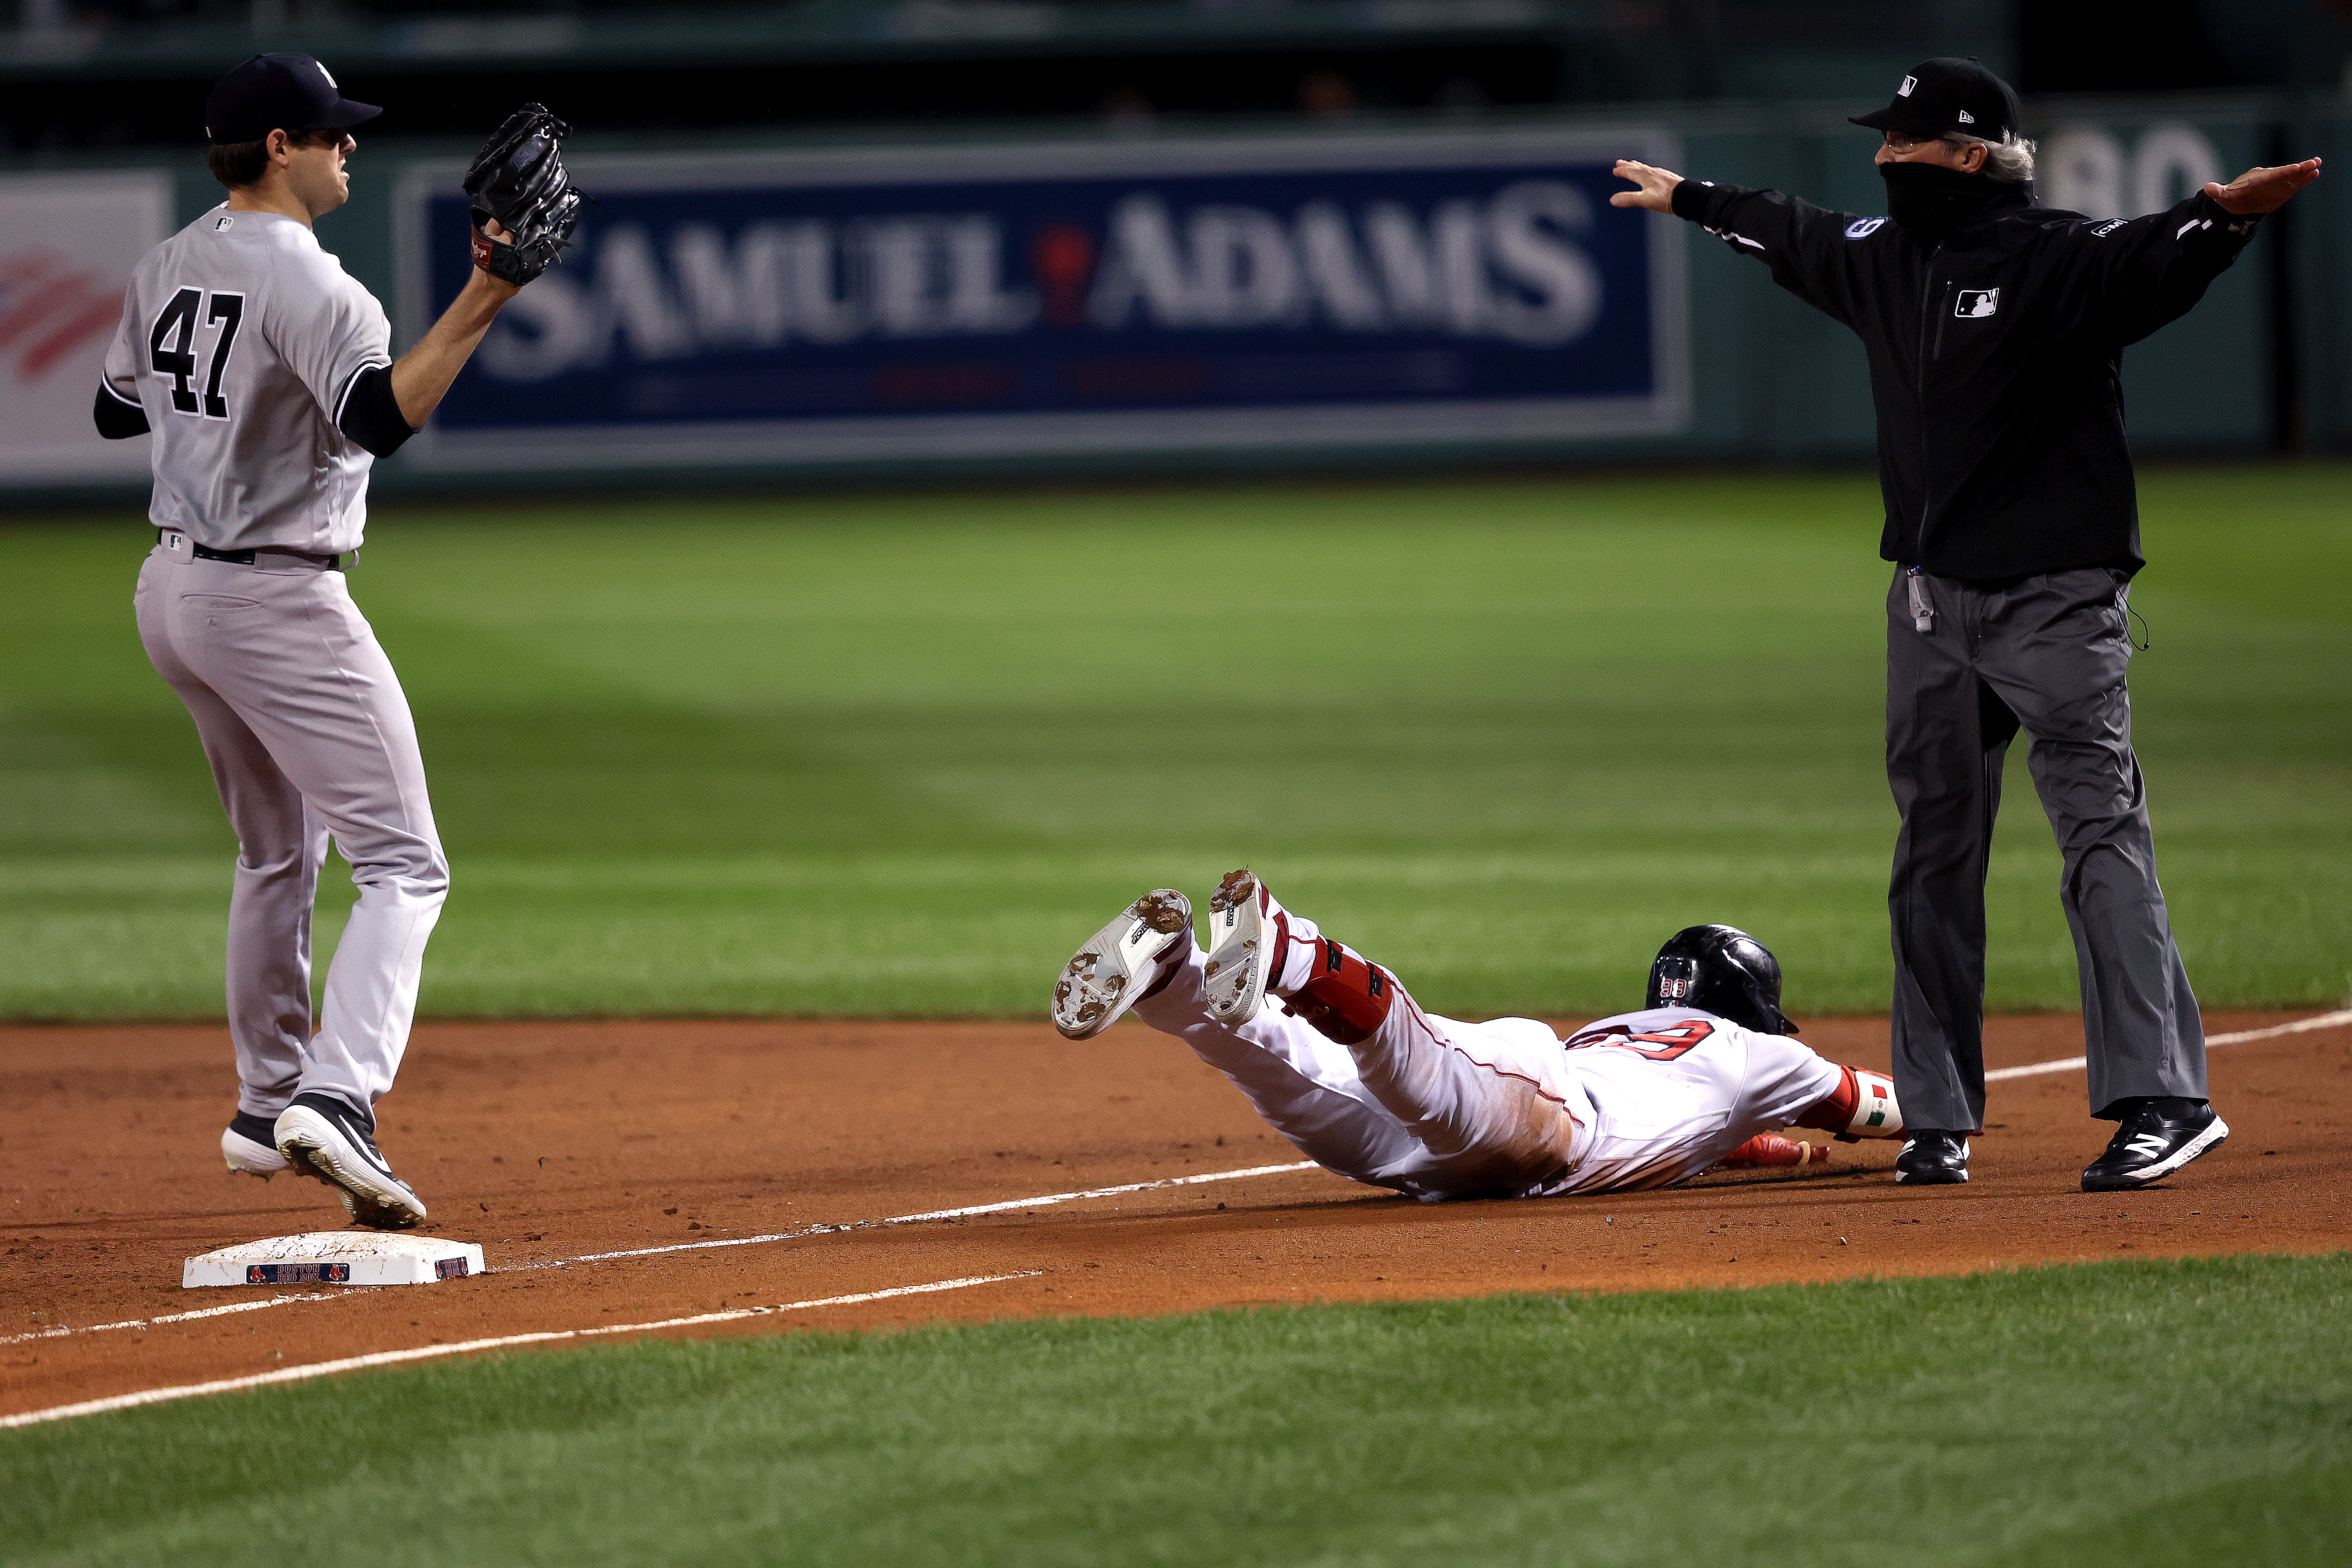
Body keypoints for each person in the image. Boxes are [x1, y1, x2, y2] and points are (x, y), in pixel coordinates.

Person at [1610, 58, 2321, 1191]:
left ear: (1972, 153)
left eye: (1908, 140)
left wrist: (2216, 219)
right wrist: (1694, 199)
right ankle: (1936, 1116)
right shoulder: (1884, 262)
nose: (1887, 154)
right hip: (1930, 603)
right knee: (1933, 854)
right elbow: (1790, 229)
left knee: (2099, 836)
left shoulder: (2057, 258)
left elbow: (2148, 261)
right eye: (1884, 138)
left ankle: (2169, 1101)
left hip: (2058, 599)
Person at [93, 55, 571, 1228]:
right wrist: (489, 294)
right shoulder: (322, 290)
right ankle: (338, 1096)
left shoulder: (167, 261)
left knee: (274, 855)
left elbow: (116, 408)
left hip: (173, 595)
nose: (347, 147)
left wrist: (224, 417)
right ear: (275, 147)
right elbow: (377, 417)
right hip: (277, 601)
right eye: (329, 134)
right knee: (407, 864)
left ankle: (266, 1106)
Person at [1051, 872, 1905, 1202]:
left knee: (1297, 1073)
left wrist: (1763, 1148)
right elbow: (1872, 1106)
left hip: (1466, 1153)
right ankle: (1294, 950)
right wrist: (1940, 1118)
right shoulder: (1766, 1056)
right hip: (1558, 1117)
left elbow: (1709, 1126)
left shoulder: (1644, 1037)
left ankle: (1174, 979)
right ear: (1755, 1003)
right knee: (1420, 1072)